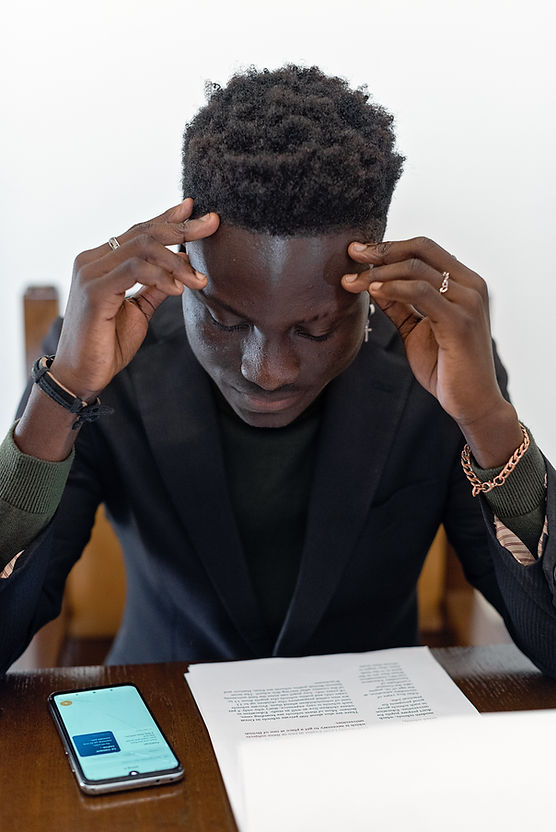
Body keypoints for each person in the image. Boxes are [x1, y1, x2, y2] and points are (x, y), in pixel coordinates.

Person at [0, 65, 554, 675]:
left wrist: (486, 419)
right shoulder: (104, 360)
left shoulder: (440, 366)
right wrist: (63, 392)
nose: (267, 372)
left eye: (315, 329)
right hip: (164, 710)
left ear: (369, 285)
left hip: (377, 717)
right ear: (184, 263)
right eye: (226, 322)